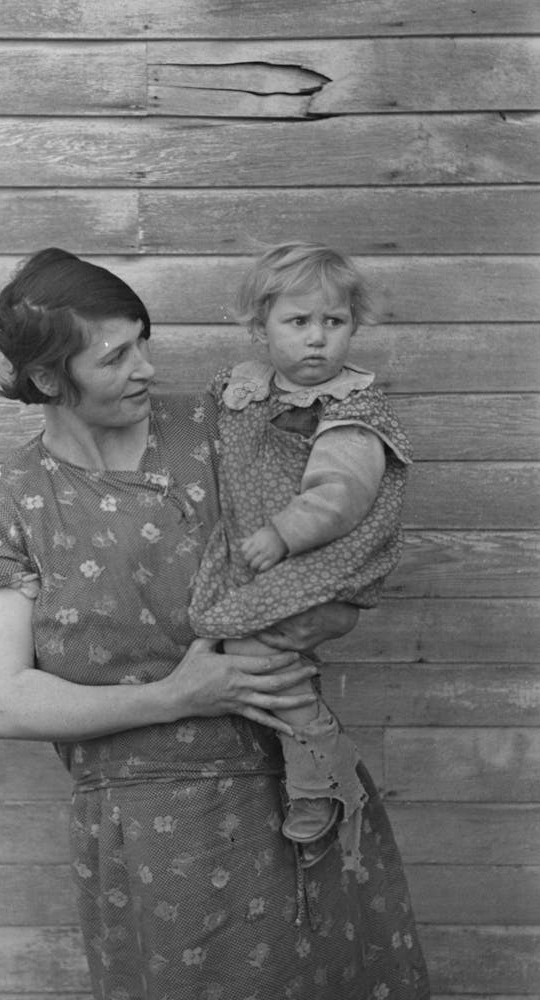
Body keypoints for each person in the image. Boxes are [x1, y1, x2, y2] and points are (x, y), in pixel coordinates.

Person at [0, 247, 430, 999]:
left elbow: (345, 509)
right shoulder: (15, 502)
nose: (146, 368)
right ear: (50, 378)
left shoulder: (223, 422)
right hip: (146, 833)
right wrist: (180, 693)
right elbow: (2, 700)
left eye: (144, 341)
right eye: (117, 357)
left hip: (291, 791)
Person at [189, 243, 413, 872]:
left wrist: (284, 533)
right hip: (263, 557)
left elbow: (339, 495)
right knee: (244, 646)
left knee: (255, 652)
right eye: (298, 322)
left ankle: (317, 760)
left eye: (333, 322)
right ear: (259, 328)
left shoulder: (352, 411)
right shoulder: (245, 390)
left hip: (322, 564)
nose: (317, 338)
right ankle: (297, 747)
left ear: (352, 327)